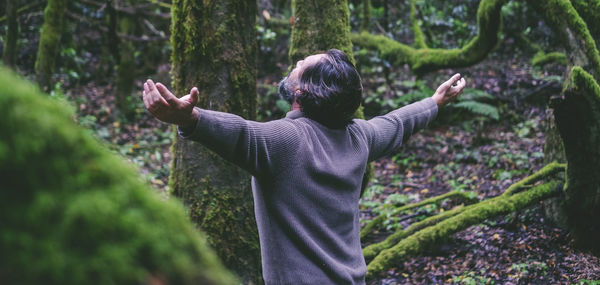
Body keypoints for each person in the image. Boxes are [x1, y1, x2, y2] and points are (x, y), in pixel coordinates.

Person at [142, 49, 466, 285]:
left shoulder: (287, 140)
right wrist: (434, 102)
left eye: (301, 66)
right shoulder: (360, 136)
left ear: (302, 92)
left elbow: (241, 133)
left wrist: (190, 118)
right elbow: (397, 123)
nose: (295, 63)